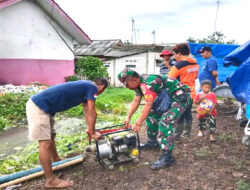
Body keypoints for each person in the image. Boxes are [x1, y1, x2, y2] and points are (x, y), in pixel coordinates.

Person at [26, 78, 108, 189]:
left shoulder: (85, 89)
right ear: (102, 88)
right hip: (39, 106)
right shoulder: (92, 87)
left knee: (51, 136)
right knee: (45, 142)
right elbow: (92, 111)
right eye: (101, 93)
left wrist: (90, 130)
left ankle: (56, 160)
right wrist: (93, 132)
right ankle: (50, 180)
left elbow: (87, 111)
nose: (98, 94)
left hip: (47, 108)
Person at [118, 68, 192, 170]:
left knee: (165, 122)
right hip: (168, 97)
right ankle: (152, 142)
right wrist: (128, 117)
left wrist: (139, 122)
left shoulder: (149, 82)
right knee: (151, 115)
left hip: (180, 98)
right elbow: (136, 101)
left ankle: (167, 157)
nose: (126, 87)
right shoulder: (139, 84)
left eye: (126, 84)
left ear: (134, 79)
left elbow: (149, 103)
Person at [168, 43, 200, 139]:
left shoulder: (178, 65)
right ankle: (186, 133)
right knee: (188, 113)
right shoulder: (195, 64)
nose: (174, 56)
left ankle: (177, 135)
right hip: (191, 92)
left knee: (179, 114)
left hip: (180, 93)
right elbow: (195, 77)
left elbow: (169, 79)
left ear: (180, 53)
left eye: (175, 54)